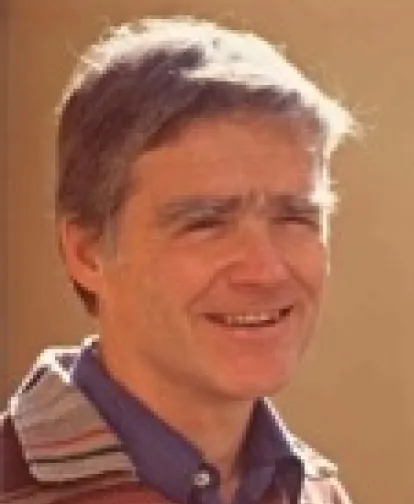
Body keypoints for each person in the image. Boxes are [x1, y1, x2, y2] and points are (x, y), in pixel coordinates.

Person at [1, 17, 357, 504]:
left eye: (295, 217)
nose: (267, 270)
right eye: (206, 223)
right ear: (87, 253)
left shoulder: (317, 492)